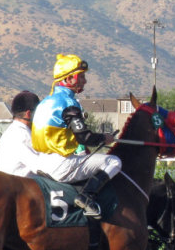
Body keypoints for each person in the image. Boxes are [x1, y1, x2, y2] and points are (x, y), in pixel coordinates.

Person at [31, 54, 122, 218]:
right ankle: (87, 197)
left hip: (40, 162)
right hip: (61, 164)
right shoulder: (68, 103)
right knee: (114, 161)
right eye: (81, 76)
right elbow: (84, 138)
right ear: (69, 78)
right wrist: (104, 138)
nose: (84, 81)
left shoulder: (45, 101)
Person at [0, 90, 41, 176]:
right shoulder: (23, 135)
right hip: (21, 185)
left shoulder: (11, 131)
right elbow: (40, 167)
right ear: (28, 114)